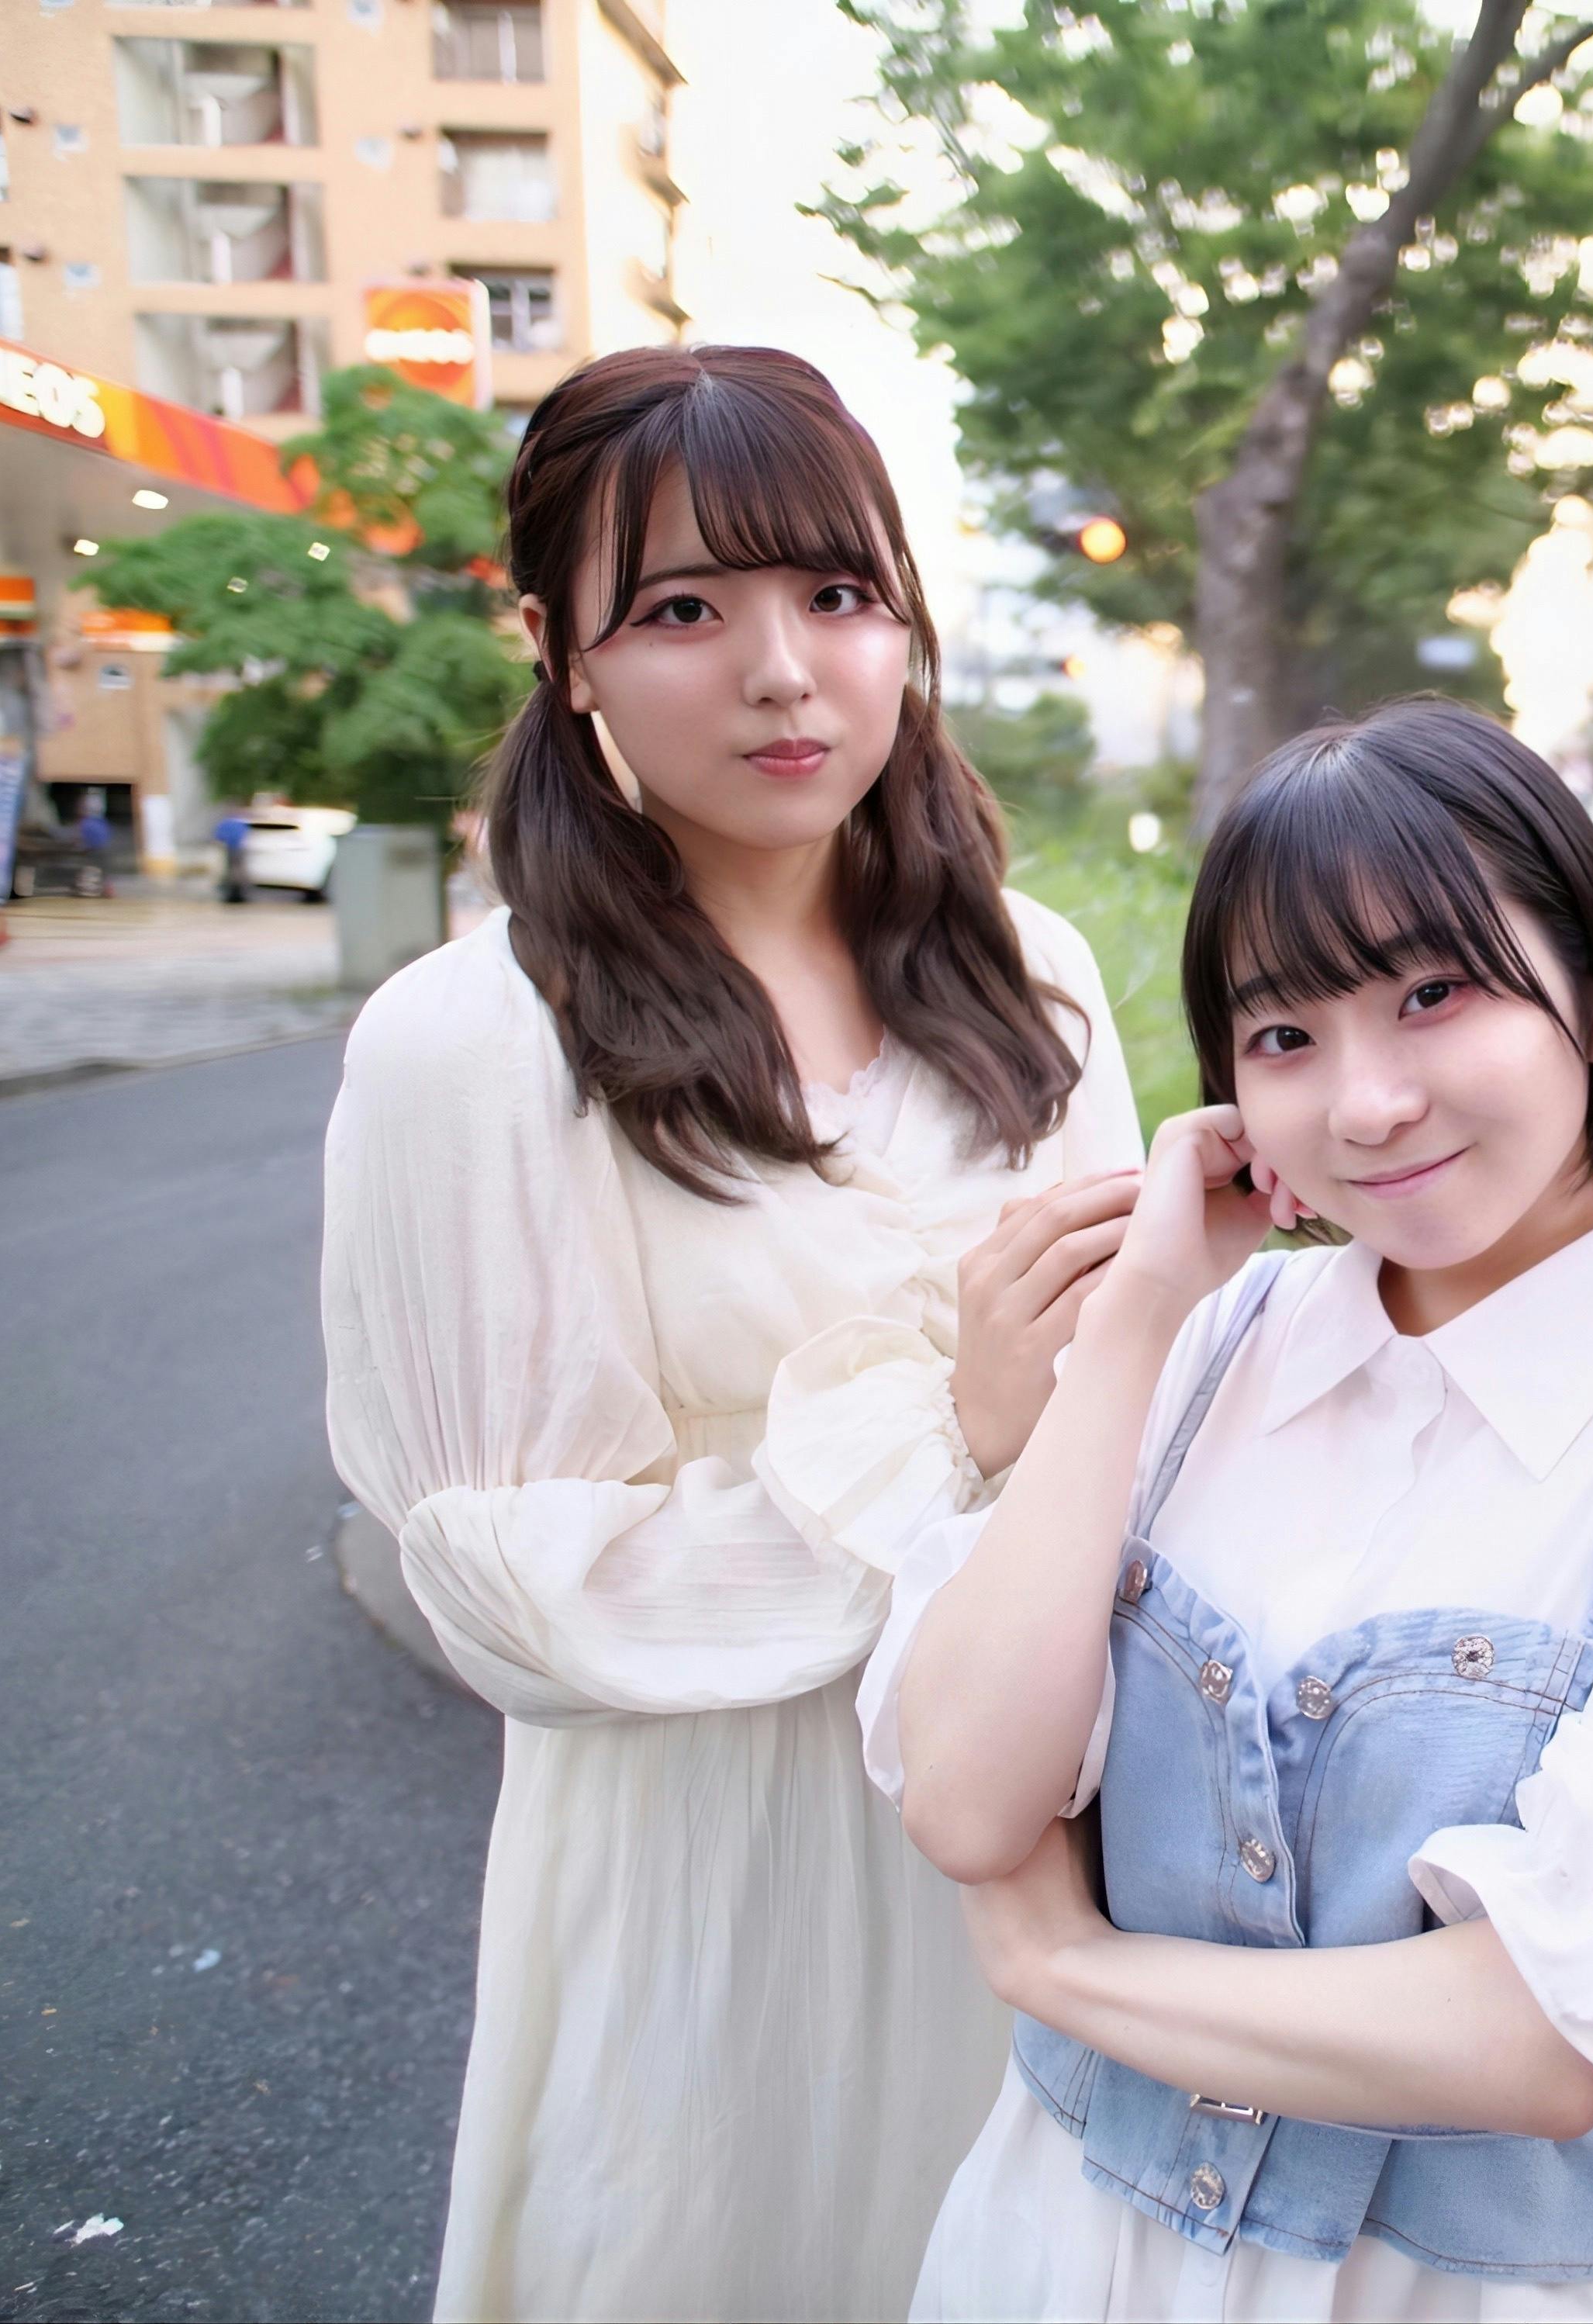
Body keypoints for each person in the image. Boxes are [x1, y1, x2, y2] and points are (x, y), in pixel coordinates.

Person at [866, 700, 1593, 2321]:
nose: (1364, 1104)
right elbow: (968, 1803)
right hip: (1050, 2254)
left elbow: (1537, 2041)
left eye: (1433, 995)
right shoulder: (1200, 1344)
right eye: (1284, 1036)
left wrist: (1062, 1963)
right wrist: (1131, 1322)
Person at [320, 345, 1146, 2322]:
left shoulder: (1031, 979)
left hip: (1038, 1850)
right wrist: (950, 1440)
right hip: (722, 1880)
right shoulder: (475, 1047)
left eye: (837, 595)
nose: (785, 673)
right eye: (685, 610)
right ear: (559, 651)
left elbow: (1133, 1409)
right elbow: (511, 1594)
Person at [214, 806, 253, 904]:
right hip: (240, 848)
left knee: (231, 870)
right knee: (240, 870)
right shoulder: (241, 824)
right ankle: (241, 893)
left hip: (230, 848)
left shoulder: (226, 823)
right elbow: (246, 835)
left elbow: (219, 836)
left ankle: (232, 893)